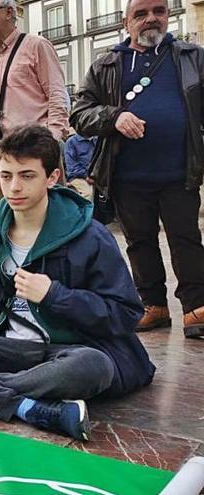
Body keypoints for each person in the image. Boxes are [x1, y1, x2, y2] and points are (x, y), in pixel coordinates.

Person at [0, 124, 155, 441]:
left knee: (91, 367)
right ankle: (24, 405)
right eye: (6, 176)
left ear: (52, 177)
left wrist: (53, 294)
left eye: (27, 175)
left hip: (77, 348)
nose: (14, 187)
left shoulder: (91, 235)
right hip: (16, 347)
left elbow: (125, 313)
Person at [70, 0, 204, 338]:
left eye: (158, 11)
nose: (151, 19)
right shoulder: (106, 65)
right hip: (126, 175)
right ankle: (153, 305)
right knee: (139, 242)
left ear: (168, 16)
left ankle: (197, 307)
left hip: (179, 171)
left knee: (186, 239)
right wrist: (114, 117)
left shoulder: (192, 57)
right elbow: (80, 114)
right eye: (141, 14)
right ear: (126, 22)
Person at [0, 0, 71, 210]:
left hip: (35, 150)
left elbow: (57, 94)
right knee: (2, 222)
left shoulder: (36, 46)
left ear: (9, 12)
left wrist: (51, 139)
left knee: (50, 220)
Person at [63, 133, 97, 200]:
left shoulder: (98, 139)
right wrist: (86, 176)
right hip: (78, 176)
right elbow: (72, 167)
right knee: (88, 193)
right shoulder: (71, 142)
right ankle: (85, 210)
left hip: (97, 176)